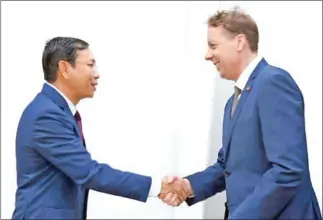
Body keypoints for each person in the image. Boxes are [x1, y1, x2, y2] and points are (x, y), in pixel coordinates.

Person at [159, 8, 322, 219]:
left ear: (239, 42)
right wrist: (188, 186)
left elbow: (288, 171)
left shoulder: (273, 82)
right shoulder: (232, 102)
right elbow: (227, 166)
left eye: (213, 45)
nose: (207, 55)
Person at [12, 37, 188, 219]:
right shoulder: (47, 115)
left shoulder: (56, 111)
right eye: (90, 65)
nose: (97, 74)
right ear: (64, 68)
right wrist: (158, 187)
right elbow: (89, 172)